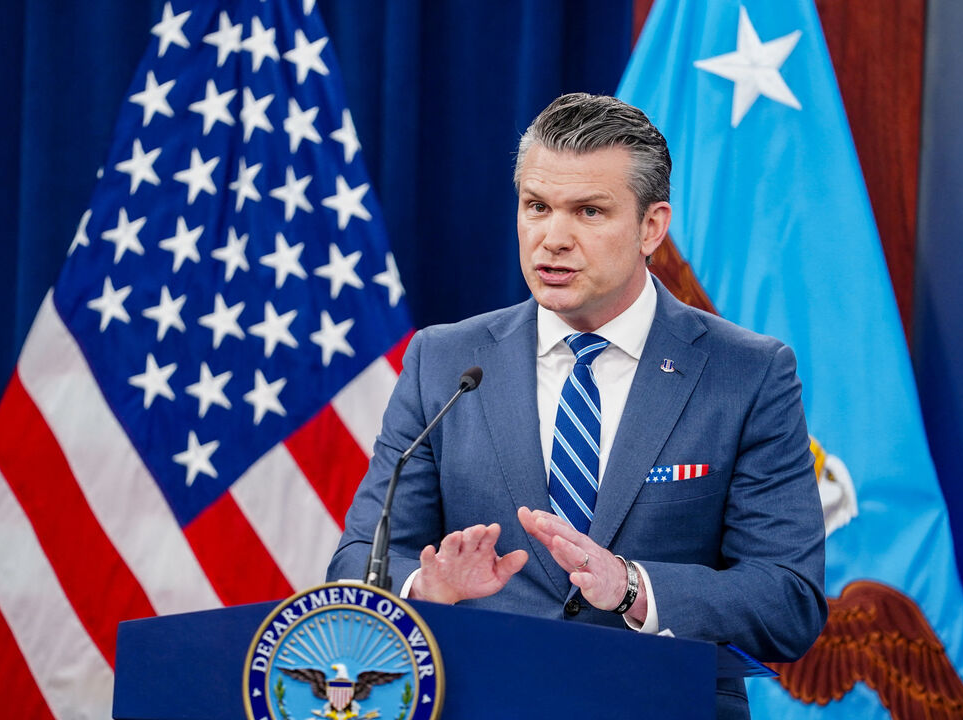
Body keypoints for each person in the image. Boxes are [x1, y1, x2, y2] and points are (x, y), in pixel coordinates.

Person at [327, 93, 826, 718]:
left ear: (652, 226)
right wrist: (425, 589)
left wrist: (633, 587)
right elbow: (357, 561)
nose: (552, 238)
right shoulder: (443, 362)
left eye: (589, 211)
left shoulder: (746, 374)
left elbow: (789, 600)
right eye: (536, 207)